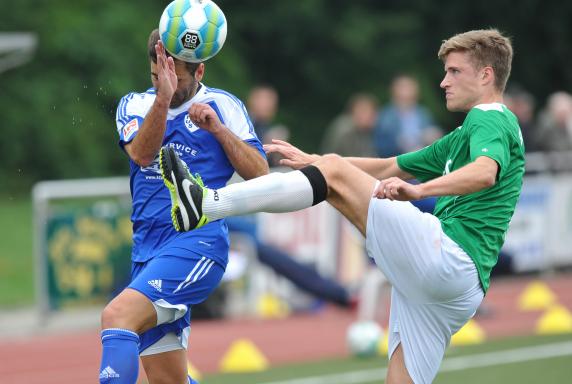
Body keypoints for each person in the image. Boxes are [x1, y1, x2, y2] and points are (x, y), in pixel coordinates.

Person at [160, 28, 524, 383]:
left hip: (449, 257)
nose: (444, 81)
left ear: (486, 75)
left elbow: (484, 172)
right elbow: (387, 167)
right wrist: (317, 160)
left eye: (454, 71)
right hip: (462, 287)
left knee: (333, 173)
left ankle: (207, 203)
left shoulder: (488, 117)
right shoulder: (467, 132)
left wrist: (418, 190)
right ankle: (214, 201)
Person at [99, 29, 269, 384]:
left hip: (198, 244)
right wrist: (162, 99)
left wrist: (219, 131)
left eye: (175, 79)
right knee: (168, 380)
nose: (166, 84)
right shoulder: (135, 104)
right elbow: (143, 155)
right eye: (157, 76)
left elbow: (260, 174)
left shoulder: (225, 106)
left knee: (118, 316)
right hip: (148, 250)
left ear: (200, 72)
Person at [374, 74, 441, 157]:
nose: (406, 92)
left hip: (423, 158)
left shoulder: (423, 113)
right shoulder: (385, 116)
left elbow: (434, 136)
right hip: (398, 161)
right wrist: (401, 145)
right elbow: (381, 147)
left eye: (410, 87)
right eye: (403, 87)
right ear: (394, 91)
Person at [320, 92, 379, 157]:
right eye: (372, 113)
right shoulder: (346, 131)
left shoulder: (361, 129)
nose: (375, 117)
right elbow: (354, 160)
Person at [247, 85, 291, 167]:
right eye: (265, 101)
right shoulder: (245, 126)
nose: (269, 106)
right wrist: (267, 143)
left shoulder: (264, 126)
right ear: (252, 101)